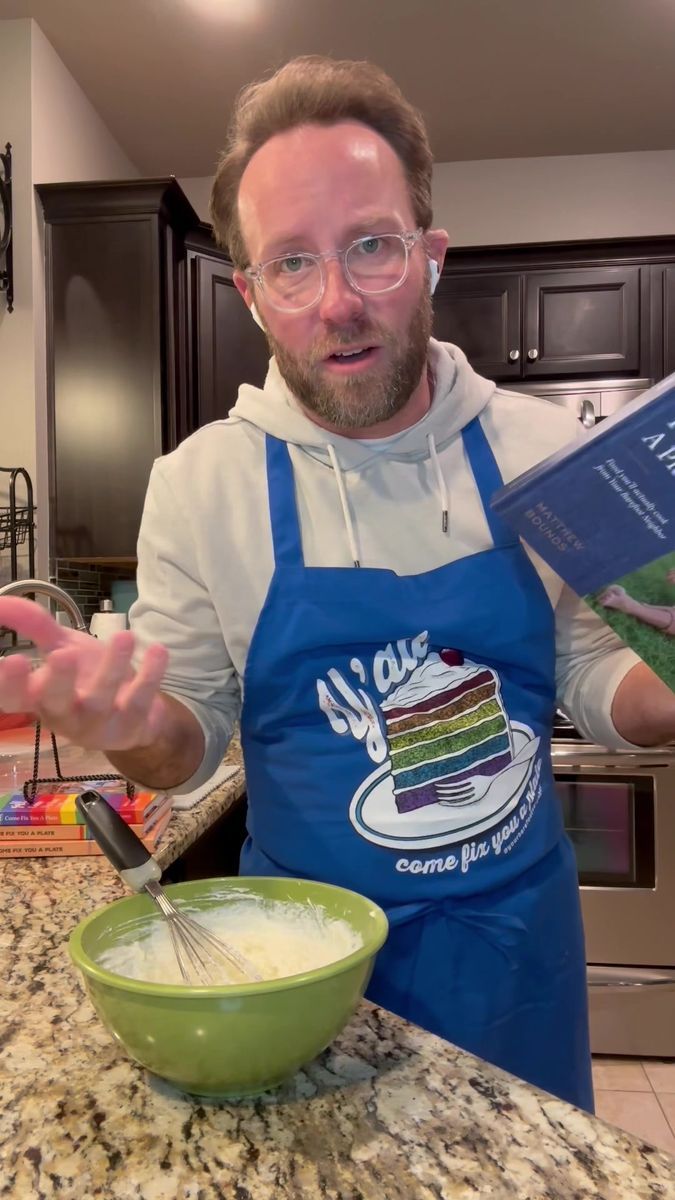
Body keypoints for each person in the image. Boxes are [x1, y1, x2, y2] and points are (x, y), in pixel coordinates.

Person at [2, 56, 675, 1112]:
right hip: (302, 971)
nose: (340, 301)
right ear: (253, 297)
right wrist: (135, 730)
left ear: (431, 256)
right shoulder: (199, 485)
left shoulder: (545, 450)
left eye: (372, 247)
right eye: (292, 264)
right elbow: (193, 743)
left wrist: (666, 685)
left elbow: (591, 667)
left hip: (516, 945)